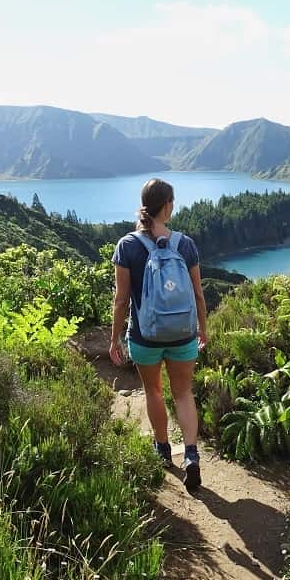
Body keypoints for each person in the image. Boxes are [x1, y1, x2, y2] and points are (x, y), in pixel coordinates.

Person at [109, 179, 208, 491]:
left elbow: (121, 300)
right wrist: (202, 329)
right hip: (182, 335)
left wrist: (114, 338)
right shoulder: (185, 244)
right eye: (173, 202)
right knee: (183, 393)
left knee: (153, 391)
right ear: (166, 205)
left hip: (145, 336)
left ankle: (163, 449)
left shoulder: (127, 246)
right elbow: (198, 294)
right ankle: (191, 454)